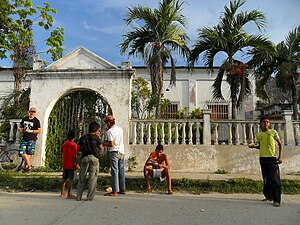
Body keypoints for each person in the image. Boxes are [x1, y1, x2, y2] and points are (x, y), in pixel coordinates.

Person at [248, 116, 283, 207]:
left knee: (275, 179)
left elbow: (280, 144)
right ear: (260, 124)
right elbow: (260, 146)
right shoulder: (259, 135)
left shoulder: (273, 132)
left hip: (272, 158)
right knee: (266, 178)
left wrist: (280, 157)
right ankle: (268, 196)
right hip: (263, 158)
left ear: (269, 123)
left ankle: (277, 200)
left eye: (267, 122)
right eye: (263, 122)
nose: (266, 123)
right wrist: (254, 146)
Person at [76, 122, 103, 201]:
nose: (98, 132)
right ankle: (89, 196)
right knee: (92, 178)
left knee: (82, 177)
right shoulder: (96, 138)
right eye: (98, 130)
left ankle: (78, 196)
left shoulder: (83, 138)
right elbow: (101, 148)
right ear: (96, 130)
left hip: (84, 158)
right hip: (94, 158)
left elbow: (79, 148)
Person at [102, 115, 125, 197]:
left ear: (109, 123)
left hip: (114, 152)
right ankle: (122, 189)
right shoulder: (120, 129)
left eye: (106, 122)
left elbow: (111, 144)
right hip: (121, 151)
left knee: (114, 171)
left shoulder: (110, 132)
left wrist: (104, 143)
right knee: (121, 171)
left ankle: (115, 190)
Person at [18, 107, 41, 172]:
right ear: (29, 112)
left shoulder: (36, 121)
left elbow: (39, 130)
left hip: (32, 139)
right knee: (22, 152)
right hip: (25, 138)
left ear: (35, 113)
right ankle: (30, 166)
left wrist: (31, 131)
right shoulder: (25, 119)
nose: (32, 113)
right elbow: (20, 126)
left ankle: (24, 168)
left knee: (29, 153)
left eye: (34, 112)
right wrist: (20, 129)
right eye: (31, 111)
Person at [60, 130, 80, 199]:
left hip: (65, 163)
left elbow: (62, 151)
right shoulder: (74, 145)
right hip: (71, 164)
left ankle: (62, 192)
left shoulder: (64, 144)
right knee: (70, 179)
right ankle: (69, 194)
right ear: (74, 137)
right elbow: (74, 156)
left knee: (64, 178)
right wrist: (76, 164)